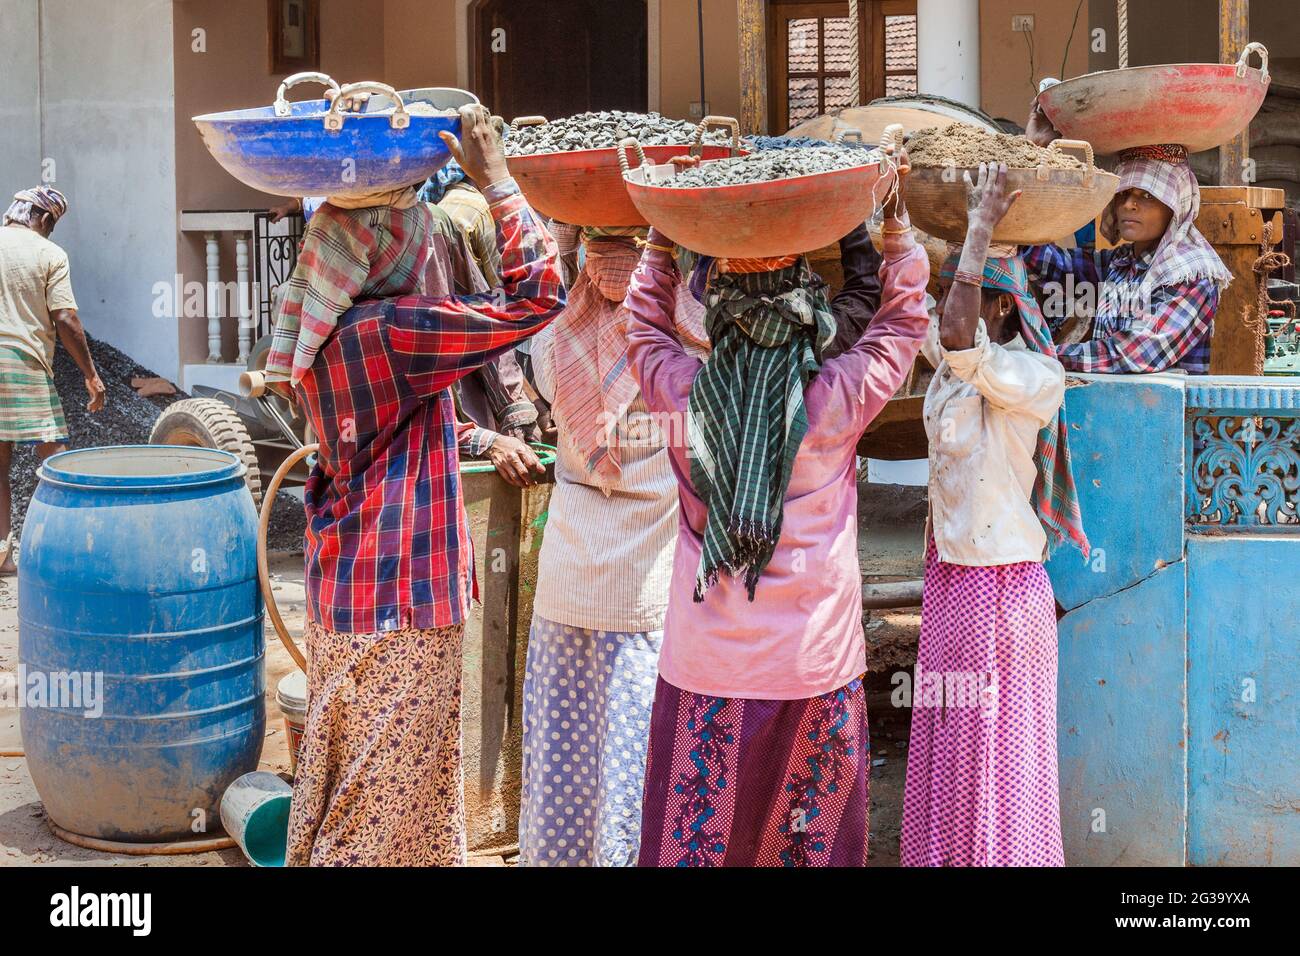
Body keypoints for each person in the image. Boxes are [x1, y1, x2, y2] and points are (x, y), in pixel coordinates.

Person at [624, 145, 928, 867]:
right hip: (812, 666)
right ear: (808, 316)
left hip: (706, 665)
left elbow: (643, 324)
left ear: (720, 316)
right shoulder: (836, 397)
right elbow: (903, 319)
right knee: (802, 849)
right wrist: (894, 221)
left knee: (702, 845)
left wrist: (660, 231)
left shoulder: (680, 392)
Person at [283, 105, 565, 866]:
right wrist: (501, 183)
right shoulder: (399, 329)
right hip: (402, 601)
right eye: (419, 232)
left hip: (345, 593)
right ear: (385, 252)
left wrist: (479, 436)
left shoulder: (329, 335)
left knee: (361, 789)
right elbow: (541, 294)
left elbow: (390, 428)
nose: (432, 244)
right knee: (378, 822)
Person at [901, 162, 1089, 867]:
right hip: (954, 582)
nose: (949, 304)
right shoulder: (956, 370)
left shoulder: (1032, 378)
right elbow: (924, 320)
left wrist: (980, 228)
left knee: (995, 757)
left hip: (1003, 593)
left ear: (1002, 309)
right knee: (954, 746)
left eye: (969, 294)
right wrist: (892, 215)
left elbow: (953, 333)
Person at [515, 220, 709, 867]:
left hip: (569, 585)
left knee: (566, 766)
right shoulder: (676, 356)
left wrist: (569, 242)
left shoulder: (556, 350)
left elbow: (554, 296)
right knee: (629, 773)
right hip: (642, 598)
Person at [1024, 100, 1231, 374]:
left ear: (1176, 205)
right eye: (1123, 193)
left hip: (1163, 413)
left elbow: (1135, 354)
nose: (1128, 205)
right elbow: (1049, 263)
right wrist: (1035, 152)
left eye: (1146, 195)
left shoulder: (1191, 274)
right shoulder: (1123, 263)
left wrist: (1042, 356)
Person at [0, 187, 105, 573]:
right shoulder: (49, 254)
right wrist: (91, 375)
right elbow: (65, 319)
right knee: (55, 461)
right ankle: (66, 554)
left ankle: (3, 555)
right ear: (43, 219)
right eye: (53, 224)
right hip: (23, 363)